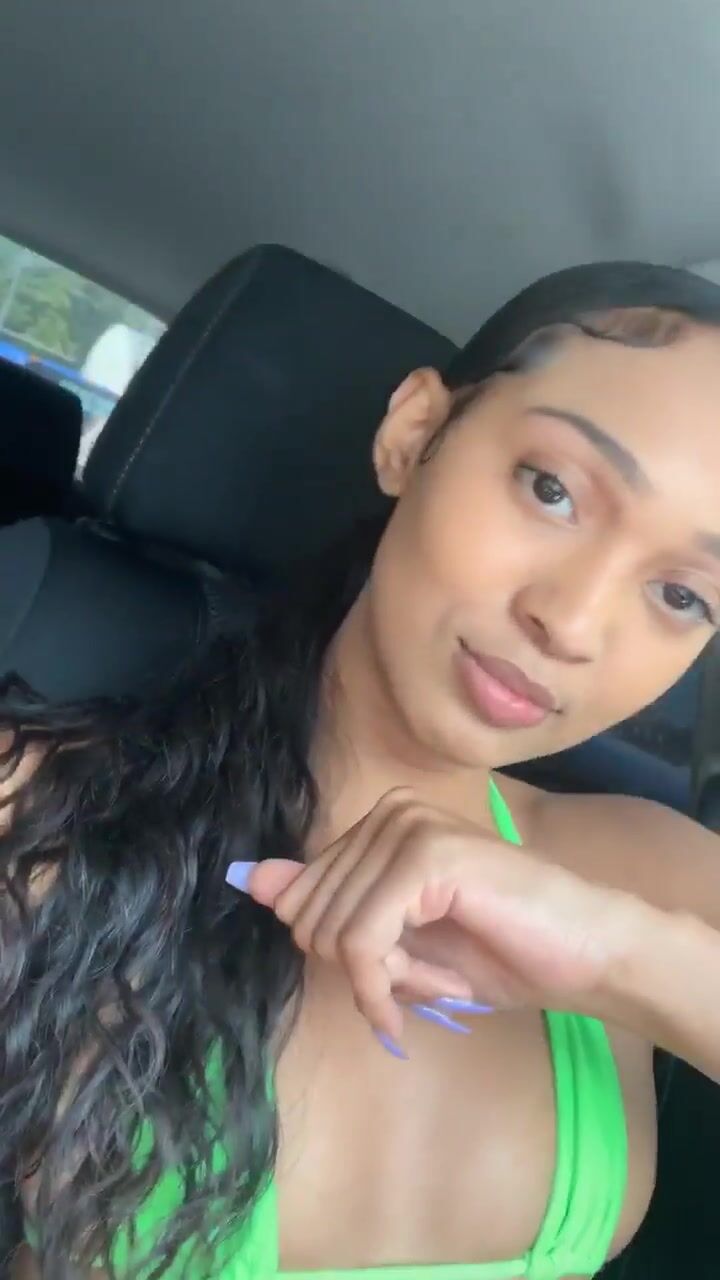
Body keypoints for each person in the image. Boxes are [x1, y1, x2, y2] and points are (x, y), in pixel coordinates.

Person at [7, 260, 720, 1280]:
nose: (571, 622)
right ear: (415, 434)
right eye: (552, 488)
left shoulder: (644, 871)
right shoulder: (44, 805)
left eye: (684, 595)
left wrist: (619, 956)